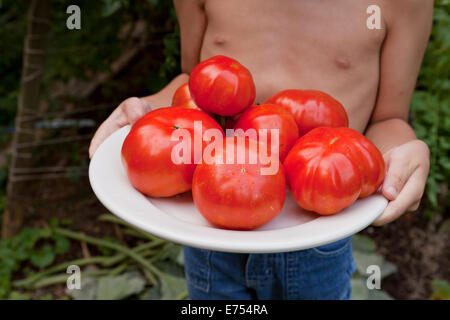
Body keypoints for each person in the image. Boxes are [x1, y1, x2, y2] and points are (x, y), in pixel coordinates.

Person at [89, 0, 432, 299]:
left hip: (317, 232)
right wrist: (146, 113)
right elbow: (190, 84)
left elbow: (389, 118)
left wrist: (406, 150)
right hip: (210, 222)